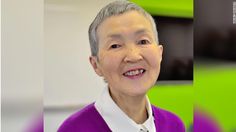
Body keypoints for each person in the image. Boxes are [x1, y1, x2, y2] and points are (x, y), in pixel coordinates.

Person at [58, 1, 185, 132]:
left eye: (143, 41)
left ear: (160, 54)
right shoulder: (74, 129)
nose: (133, 56)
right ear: (96, 65)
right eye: (115, 45)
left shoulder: (173, 125)